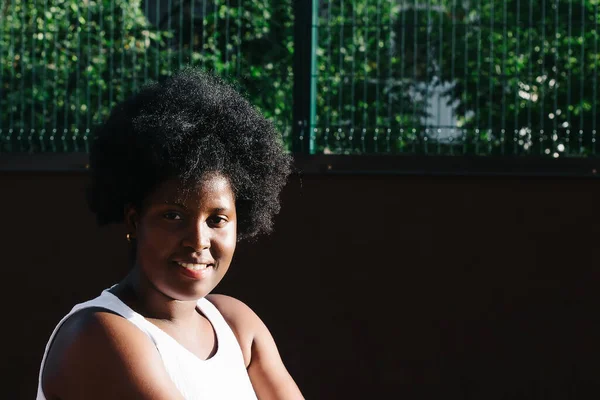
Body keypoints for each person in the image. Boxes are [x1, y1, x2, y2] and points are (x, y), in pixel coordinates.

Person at [36, 68, 303, 400]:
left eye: (217, 219)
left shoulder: (236, 325)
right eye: (173, 215)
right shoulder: (101, 333)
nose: (198, 240)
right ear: (135, 221)